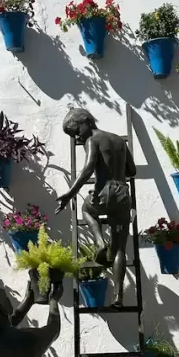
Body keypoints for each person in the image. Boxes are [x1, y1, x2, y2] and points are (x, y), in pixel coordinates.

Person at [55, 107, 136, 307]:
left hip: (104, 192)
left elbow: (88, 168)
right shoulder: (118, 140)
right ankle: (118, 296)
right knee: (119, 249)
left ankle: (100, 242)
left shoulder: (93, 140)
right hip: (123, 194)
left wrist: (69, 194)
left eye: (75, 132)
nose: (77, 138)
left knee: (86, 210)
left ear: (86, 121)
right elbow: (132, 170)